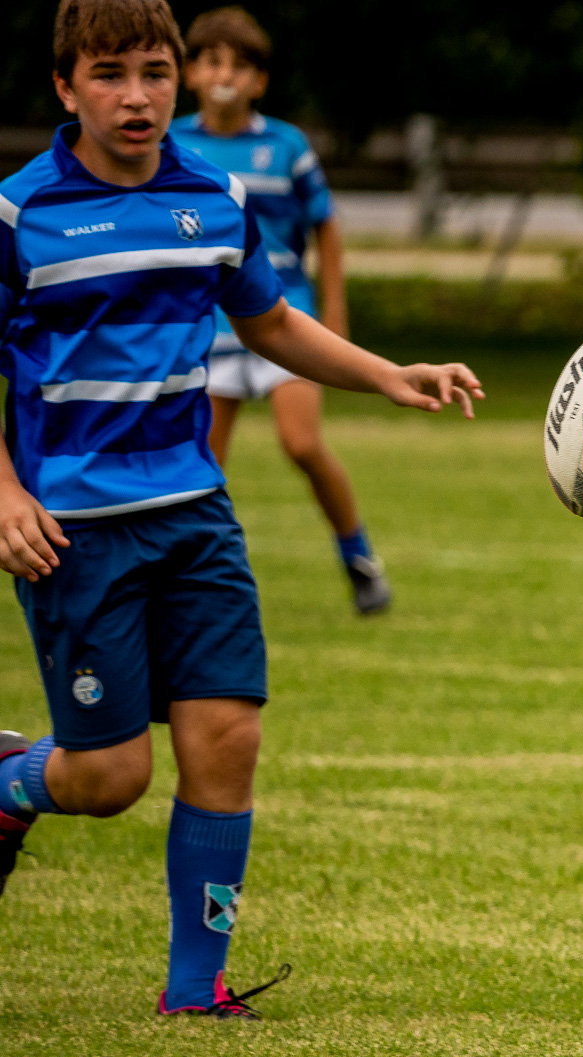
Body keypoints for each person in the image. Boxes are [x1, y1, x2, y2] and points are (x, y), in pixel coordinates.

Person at [0, 0, 482, 1018]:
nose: (137, 97)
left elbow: (268, 321)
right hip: (75, 530)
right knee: (111, 778)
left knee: (227, 739)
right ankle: (9, 777)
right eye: (109, 75)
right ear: (65, 87)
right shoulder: (19, 213)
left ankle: (195, 987)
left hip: (196, 515)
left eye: (155, 72)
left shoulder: (214, 198)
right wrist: (4, 492)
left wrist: (386, 373)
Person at [167, 7, 389, 614]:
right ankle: (195, 583)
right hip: (212, 326)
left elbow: (326, 226)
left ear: (259, 82)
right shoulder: (173, 145)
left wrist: (335, 317)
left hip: (286, 316)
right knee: (205, 466)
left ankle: (359, 558)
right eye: (213, 62)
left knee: (301, 444)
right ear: (191, 73)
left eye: (240, 66)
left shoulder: (286, 146)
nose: (225, 75)